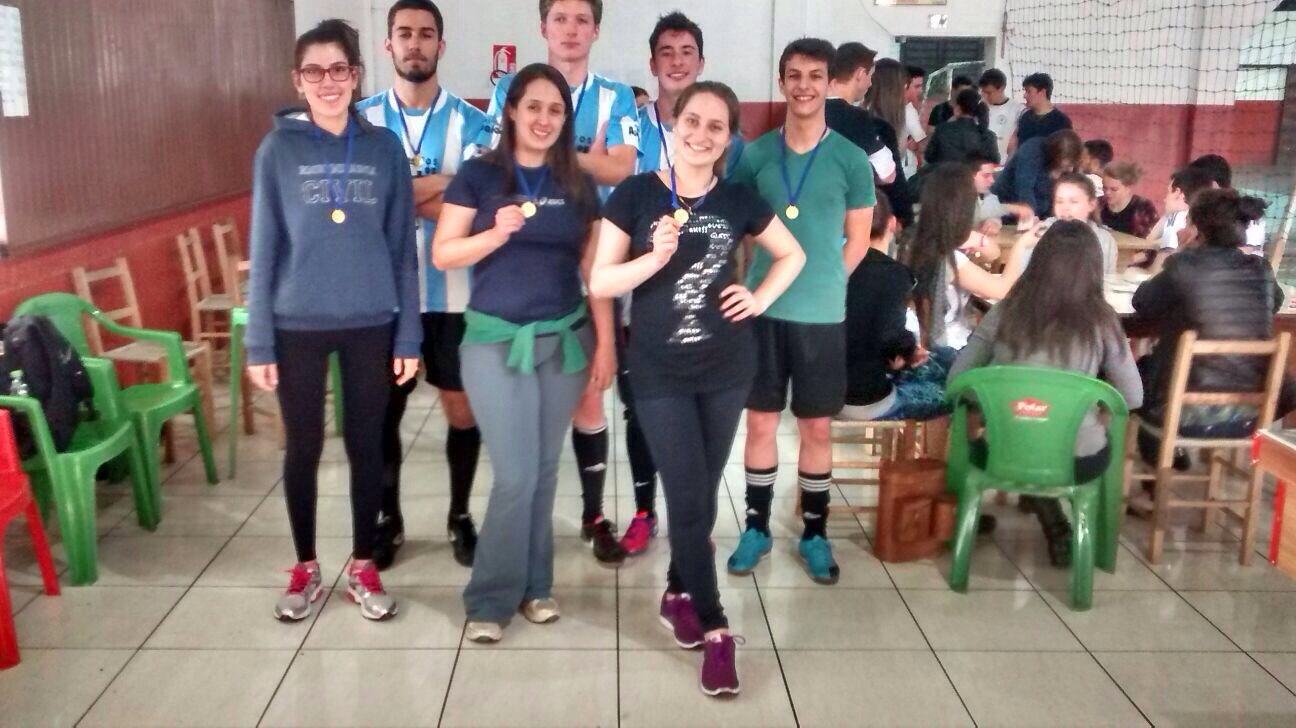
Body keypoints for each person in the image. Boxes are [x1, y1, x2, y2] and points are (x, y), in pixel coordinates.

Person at [590, 81, 804, 697]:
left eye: (716, 126)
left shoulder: (738, 199)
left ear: (729, 138)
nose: (701, 134)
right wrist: (652, 260)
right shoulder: (635, 194)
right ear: (674, 124)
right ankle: (715, 627)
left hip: (726, 368)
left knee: (701, 495)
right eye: (692, 121)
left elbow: (791, 256)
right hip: (659, 372)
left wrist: (757, 297)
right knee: (686, 497)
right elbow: (601, 281)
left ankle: (677, 591)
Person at [246, 19, 419, 622]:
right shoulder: (277, 151)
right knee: (305, 447)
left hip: (372, 321)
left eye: (339, 69)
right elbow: (265, 246)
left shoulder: (384, 148)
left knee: (367, 445)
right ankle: (306, 565)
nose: (328, 82)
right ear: (298, 80)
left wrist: (409, 333)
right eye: (314, 71)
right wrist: (259, 341)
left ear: (356, 75)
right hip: (296, 324)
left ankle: (364, 564)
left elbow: (402, 249)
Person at [433, 63, 603, 643]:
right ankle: (489, 597)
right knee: (514, 475)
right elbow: (443, 253)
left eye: (555, 110)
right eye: (533, 106)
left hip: (565, 340)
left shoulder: (577, 183)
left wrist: (607, 341)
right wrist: (493, 234)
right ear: (511, 110)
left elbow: (593, 271)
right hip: (494, 341)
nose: (543, 119)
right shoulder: (479, 176)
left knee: (544, 469)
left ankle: (537, 585)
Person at [487, 0, 636, 565]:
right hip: (525, 261)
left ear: (595, 29)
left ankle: (594, 515)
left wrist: (545, 153)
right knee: (523, 399)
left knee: (589, 391)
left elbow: (622, 167)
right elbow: (499, 163)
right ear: (542, 27)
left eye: (581, 20)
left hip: (594, 257)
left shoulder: (616, 97)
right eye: (560, 19)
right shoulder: (511, 91)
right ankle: (524, 514)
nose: (570, 30)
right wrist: (582, 159)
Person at [727, 38, 876, 586]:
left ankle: (815, 533)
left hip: (821, 315)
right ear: (782, 82)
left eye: (815, 75)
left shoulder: (851, 159)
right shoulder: (755, 155)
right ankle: (756, 527)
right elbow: (738, 230)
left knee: (815, 426)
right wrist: (746, 285)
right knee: (760, 421)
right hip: (762, 309)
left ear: (829, 82)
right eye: (794, 75)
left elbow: (858, 239)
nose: (804, 86)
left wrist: (828, 279)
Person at [356, 0, 493, 570]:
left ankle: (459, 515)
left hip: (455, 297)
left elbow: (480, 206)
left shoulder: (475, 122)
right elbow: (359, 204)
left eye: (426, 33)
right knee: (383, 414)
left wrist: (394, 191)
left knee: (462, 409)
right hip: (381, 300)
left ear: (441, 44)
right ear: (388, 44)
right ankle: (389, 519)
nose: (415, 43)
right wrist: (447, 185)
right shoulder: (360, 122)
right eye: (404, 33)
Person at [617, 12, 749, 557]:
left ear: (701, 62)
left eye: (686, 51)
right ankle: (644, 510)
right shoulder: (632, 127)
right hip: (642, 292)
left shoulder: (727, 139)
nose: (676, 61)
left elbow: (740, 221)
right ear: (652, 63)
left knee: (699, 422)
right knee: (641, 407)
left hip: (701, 301)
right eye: (666, 52)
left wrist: (741, 286)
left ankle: (691, 526)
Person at [949, 221, 1143, 566]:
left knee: (1027, 435)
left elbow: (958, 380)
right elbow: (1133, 396)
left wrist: (995, 402)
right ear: (1093, 268)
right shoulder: (1103, 321)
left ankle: (1043, 508)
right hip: (1079, 460)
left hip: (1003, 452)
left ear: (1037, 261)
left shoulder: (1005, 311)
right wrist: (1099, 413)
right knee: (1071, 437)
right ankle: (1057, 520)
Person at [1130, 188, 1285, 471]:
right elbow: (1274, 302)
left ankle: (1158, 460)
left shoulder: (1183, 265)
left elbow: (1143, 303)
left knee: (1136, 375)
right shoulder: (1261, 269)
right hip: (1250, 413)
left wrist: (1179, 251)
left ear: (1197, 228)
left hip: (1181, 410)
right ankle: (1172, 456)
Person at [905, 162, 1036, 352]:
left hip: (917, 335)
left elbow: (993, 253)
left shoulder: (915, 239)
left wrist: (976, 238)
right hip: (944, 345)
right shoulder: (950, 260)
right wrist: (1021, 245)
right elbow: (1001, 290)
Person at [842, 193, 947, 421]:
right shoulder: (896, 275)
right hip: (866, 400)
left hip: (815, 395)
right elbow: (890, 337)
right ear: (892, 223)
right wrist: (909, 350)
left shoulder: (828, 268)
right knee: (949, 388)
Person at [825, 42, 898, 185]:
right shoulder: (856, 117)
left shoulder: (803, 111)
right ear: (860, 74)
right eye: (870, 76)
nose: (870, 83)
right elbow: (887, 173)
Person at [865, 58, 916, 227]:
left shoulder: (863, 118)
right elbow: (894, 180)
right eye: (905, 87)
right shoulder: (879, 127)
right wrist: (906, 217)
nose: (907, 94)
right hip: (877, 211)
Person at [991, 128, 1084, 219]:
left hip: (1043, 211)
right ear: (1056, 155)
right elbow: (1025, 188)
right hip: (1008, 203)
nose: (1070, 169)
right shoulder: (1032, 151)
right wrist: (1031, 215)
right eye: (1067, 165)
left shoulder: (1071, 162)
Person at [1187, 154, 1268, 254]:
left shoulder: (1246, 211)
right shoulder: (1198, 209)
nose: (1189, 190)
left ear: (1212, 185)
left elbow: (1242, 253)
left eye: (1194, 184)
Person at [1042, 172, 1117, 273]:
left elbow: (1107, 278)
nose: (1065, 208)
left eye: (1073, 201)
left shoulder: (1104, 240)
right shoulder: (1042, 233)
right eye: (1059, 202)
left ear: (1091, 204)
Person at [1144, 166, 1214, 258]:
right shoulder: (1205, 220)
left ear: (1178, 193)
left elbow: (1162, 260)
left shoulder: (1177, 218)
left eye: (1168, 192)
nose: (1165, 199)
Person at [921, 88, 999, 167]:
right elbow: (995, 162)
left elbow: (929, 157)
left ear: (957, 108)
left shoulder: (942, 130)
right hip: (973, 174)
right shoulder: (988, 135)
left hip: (945, 174)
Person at [969, 152, 1034, 237]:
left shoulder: (986, 193)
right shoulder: (955, 194)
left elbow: (992, 211)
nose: (992, 180)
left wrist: (993, 222)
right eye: (986, 176)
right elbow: (974, 214)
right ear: (968, 176)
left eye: (992, 175)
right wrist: (1011, 208)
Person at [1100, 161, 1159, 238]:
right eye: (1104, 187)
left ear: (1128, 188)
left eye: (1114, 189)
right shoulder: (1098, 204)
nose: (1107, 192)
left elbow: (1154, 239)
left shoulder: (1144, 208)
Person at [1013, 73, 1071, 150]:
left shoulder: (1060, 121)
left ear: (1042, 92)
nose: (1025, 96)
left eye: (1028, 91)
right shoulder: (1025, 118)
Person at [978, 68, 1024, 161]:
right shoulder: (978, 108)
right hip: (981, 163)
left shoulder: (1017, 109)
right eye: (983, 92)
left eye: (989, 93)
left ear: (1001, 88)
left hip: (1005, 163)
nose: (985, 96)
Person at [901, 64, 928, 178]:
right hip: (905, 170)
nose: (920, 91)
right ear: (904, 86)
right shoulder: (909, 111)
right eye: (917, 86)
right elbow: (920, 143)